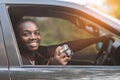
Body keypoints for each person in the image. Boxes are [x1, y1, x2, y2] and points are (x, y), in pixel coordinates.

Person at [14, 19, 114, 65]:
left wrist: (97, 39)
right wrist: (53, 67)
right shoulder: (16, 60)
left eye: (37, 33)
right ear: (17, 38)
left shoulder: (37, 53)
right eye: (26, 34)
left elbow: (67, 46)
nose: (33, 37)